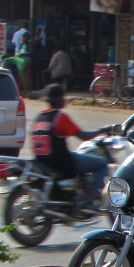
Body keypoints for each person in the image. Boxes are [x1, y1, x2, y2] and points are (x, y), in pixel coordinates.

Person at [31, 83, 112, 212]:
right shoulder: (60, 117)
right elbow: (84, 136)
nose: (65, 100)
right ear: (58, 99)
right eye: (63, 97)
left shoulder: (40, 117)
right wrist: (102, 130)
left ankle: (79, 189)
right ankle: (89, 196)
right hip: (62, 161)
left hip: (43, 161)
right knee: (102, 164)